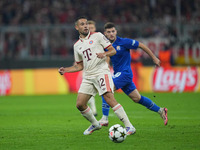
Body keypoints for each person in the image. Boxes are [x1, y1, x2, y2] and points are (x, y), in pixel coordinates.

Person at [58, 17, 135, 135]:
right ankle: (95, 124)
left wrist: (104, 53)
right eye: (82, 24)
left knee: (109, 98)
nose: (85, 26)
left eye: (86, 24)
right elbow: (79, 66)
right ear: (77, 27)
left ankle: (129, 126)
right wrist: (66, 70)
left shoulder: (98, 36)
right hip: (88, 76)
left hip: (101, 72)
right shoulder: (77, 45)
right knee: (80, 104)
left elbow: (112, 50)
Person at [99, 22, 168, 127]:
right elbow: (106, 55)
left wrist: (154, 58)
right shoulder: (106, 46)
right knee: (137, 98)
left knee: (106, 88)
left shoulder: (124, 42)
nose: (111, 33)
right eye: (109, 32)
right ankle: (161, 110)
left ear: (116, 31)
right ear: (105, 34)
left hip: (125, 73)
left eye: (113, 31)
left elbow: (141, 45)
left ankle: (104, 118)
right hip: (120, 74)